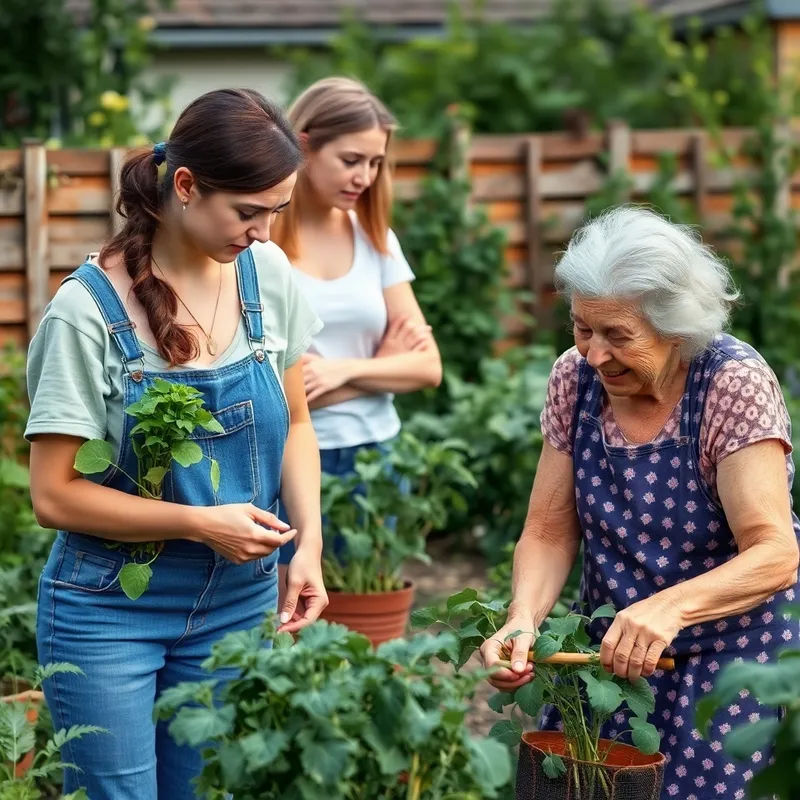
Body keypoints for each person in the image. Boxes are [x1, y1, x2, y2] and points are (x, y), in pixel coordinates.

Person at [26, 88, 328, 800]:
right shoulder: (86, 313)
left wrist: (308, 544)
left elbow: (299, 426)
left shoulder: (268, 277)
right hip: (109, 612)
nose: (260, 232)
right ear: (186, 187)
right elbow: (51, 493)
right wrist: (200, 521)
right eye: (247, 212)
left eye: (275, 213)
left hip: (237, 603)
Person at [481, 207, 800, 798]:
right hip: (608, 656)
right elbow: (549, 530)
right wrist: (522, 618)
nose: (595, 355)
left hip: (727, 663)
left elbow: (775, 552)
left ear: (676, 327)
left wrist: (669, 610)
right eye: (583, 328)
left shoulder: (730, 383)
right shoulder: (574, 380)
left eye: (618, 336)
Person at [272, 77, 442, 582]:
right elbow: (274, 396)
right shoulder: (259, 244)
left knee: (367, 632)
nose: (365, 176)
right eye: (351, 160)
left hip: (378, 458)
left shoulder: (376, 240)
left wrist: (342, 370)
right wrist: (384, 364)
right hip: (290, 462)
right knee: (291, 623)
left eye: (375, 163)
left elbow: (427, 367)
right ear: (303, 146)